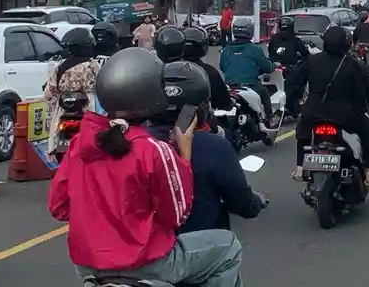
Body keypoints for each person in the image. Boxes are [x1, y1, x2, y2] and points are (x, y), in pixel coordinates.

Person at [48, 48, 245, 287]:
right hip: (147, 262)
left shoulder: (81, 143)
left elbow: (58, 208)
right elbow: (177, 215)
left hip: (87, 264)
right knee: (228, 247)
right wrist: (184, 153)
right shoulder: (154, 150)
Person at [150, 61, 267, 232]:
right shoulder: (213, 146)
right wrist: (255, 203)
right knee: (230, 247)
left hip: (144, 247)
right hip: (197, 245)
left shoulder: (136, 141)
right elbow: (241, 202)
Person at [286, 26, 369, 185]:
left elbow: (292, 83)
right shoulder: (354, 64)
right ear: (347, 43)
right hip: (345, 115)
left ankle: (300, 167)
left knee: (303, 134)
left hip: (313, 112)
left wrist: (294, 103)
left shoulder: (312, 61)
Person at [43, 27, 101, 157]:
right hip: (90, 111)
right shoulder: (93, 66)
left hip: (63, 111)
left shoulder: (60, 67)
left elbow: (49, 94)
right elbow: (103, 84)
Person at [218, 18, 275, 125]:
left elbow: (222, 67)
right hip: (251, 86)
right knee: (265, 94)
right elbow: (267, 67)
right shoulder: (254, 49)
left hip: (230, 86)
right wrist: (275, 65)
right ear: (250, 31)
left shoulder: (226, 50)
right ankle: (270, 118)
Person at [183, 27, 232, 112]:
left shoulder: (166, 70)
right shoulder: (210, 72)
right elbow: (224, 104)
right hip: (203, 120)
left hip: (171, 121)